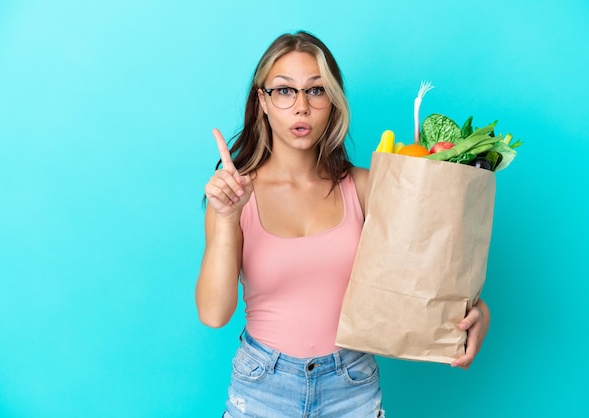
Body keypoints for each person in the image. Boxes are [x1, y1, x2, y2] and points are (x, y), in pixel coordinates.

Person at [196, 30, 490, 418]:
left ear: (332, 103)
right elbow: (214, 314)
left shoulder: (365, 187)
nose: (301, 106)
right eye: (284, 91)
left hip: (351, 386)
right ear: (262, 102)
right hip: (264, 386)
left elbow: (428, 275)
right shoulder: (235, 195)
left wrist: (479, 314)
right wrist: (228, 215)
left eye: (316, 91)